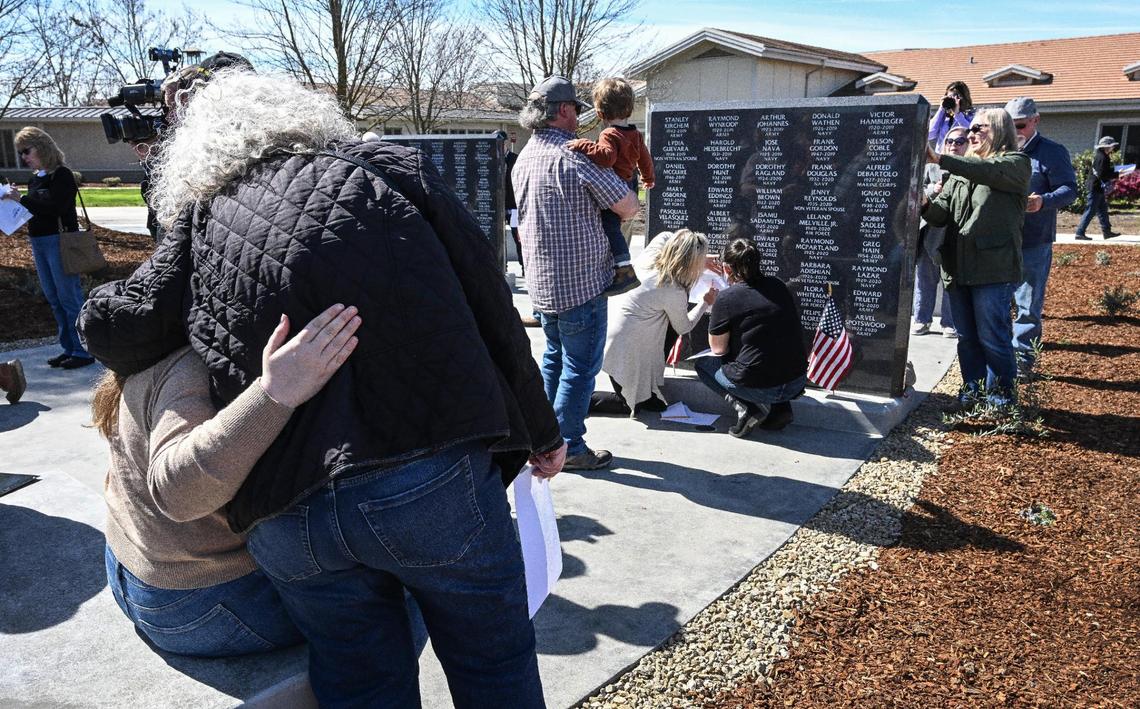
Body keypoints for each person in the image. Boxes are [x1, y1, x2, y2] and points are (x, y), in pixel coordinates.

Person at [79, 70, 563, 707]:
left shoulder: (199, 221)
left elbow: (119, 324)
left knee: (360, 678)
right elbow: (491, 303)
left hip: (289, 512)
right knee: (492, 659)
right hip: (426, 478)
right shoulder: (384, 168)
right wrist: (542, 428)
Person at [94, 304, 359, 657]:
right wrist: (274, 392)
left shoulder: (151, 344)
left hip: (134, 574)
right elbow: (179, 493)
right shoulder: (192, 366)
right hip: (198, 603)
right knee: (401, 593)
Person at [513, 75, 640, 471]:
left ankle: (544, 438)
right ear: (564, 110)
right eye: (575, 112)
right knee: (581, 368)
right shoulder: (574, 156)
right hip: (581, 282)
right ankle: (570, 445)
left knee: (553, 358)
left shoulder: (523, 158)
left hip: (542, 283)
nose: (579, 120)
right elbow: (627, 207)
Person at [923, 108, 1031, 407]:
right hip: (957, 267)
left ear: (998, 129)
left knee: (992, 337)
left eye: (977, 129)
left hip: (992, 270)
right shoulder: (962, 171)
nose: (970, 134)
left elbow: (988, 172)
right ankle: (974, 389)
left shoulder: (1015, 164)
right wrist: (922, 203)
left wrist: (940, 158)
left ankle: (1002, 396)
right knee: (967, 338)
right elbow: (939, 214)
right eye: (969, 130)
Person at [590, 229, 715, 416]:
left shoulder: (653, 254)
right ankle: (578, 400)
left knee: (653, 404)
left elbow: (666, 236)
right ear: (690, 262)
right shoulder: (671, 288)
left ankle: (646, 393)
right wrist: (706, 302)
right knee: (628, 405)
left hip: (612, 330)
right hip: (623, 349)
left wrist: (700, 258)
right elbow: (684, 326)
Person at [694, 238, 807, 437]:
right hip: (797, 382)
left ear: (727, 269)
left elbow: (718, 349)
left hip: (763, 388)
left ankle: (745, 408)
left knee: (704, 364)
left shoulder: (726, 298)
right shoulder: (778, 285)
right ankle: (781, 409)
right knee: (771, 351)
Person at [2, 127, 93, 369]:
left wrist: (22, 199)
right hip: (39, 241)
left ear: (41, 147)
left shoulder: (61, 175)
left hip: (60, 241)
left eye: (26, 151)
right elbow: (36, 209)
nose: (23, 157)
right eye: (20, 152)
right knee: (54, 298)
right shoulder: (35, 178)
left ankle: (84, 351)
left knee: (69, 297)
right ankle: (69, 347)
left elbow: (55, 207)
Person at [1004, 97, 1077, 375]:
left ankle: (1023, 360)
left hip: (1033, 241)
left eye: (1020, 125)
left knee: (1027, 305)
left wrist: (1043, 201)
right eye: (1009, 126)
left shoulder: (1052, 152)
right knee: (996, 303)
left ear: (1035, 120)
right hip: (999, 242)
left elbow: (1069, 189)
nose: (1015, 131)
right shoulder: (1000, 149)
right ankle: (1000, 355)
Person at [567, 77, 656, 297]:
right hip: (630, 184)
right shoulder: (635, 134)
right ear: (629, 108)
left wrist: (582, 144)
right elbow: (645, 158)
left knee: (609, 227)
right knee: (614, 227)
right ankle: (619, 265)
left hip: (616, 186)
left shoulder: (609, 134)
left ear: (599, 113)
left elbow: (606, 158)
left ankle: (624, 269)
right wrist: (649, 177)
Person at [913, 126, 969, 337]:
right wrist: (932, 191)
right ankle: (921, 319)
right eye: (950, 141)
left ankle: (949, 323)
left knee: (951, 283)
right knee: (925, 279)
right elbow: (918, 187)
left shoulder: (971, 168)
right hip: (932, 233)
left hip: (956, 235)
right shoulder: (932, 166)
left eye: (959, 141)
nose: (953, 145)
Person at [1075, 136, 1121, 240]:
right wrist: (1118, 174)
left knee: (1102, 210)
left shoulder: (1102, 156)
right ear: (1106, 147)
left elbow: (1104, 171)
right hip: (1095, 187)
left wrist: (1116, 172)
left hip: (1097, 187)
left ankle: (1107, 232)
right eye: (1112, 146)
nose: (1113, 148)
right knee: (1090, 210)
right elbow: (1102, 174)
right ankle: (1079, 232)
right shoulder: (1102, 157)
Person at [928, 80, 975, 149]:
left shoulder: (971, 116)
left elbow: (971, 134)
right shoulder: (944, 117)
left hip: (961, 157)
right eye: (949, 97)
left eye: (955, 98)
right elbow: (929, 134)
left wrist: (958, 114)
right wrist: (941, 109)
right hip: (942, 157)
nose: (953, 101)